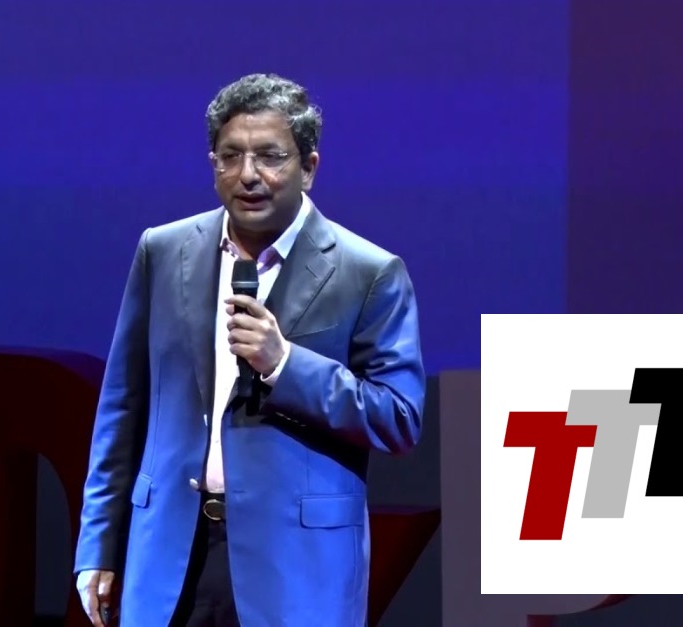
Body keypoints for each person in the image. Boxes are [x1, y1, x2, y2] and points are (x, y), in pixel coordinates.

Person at [73, 73, 425, 626]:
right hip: (170, 557)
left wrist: (284, 364)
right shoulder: (163, 251)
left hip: (295, 571)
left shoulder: (368, 273)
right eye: (230, 156)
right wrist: (99, 544)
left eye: (270, 156)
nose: (248, 175)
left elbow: (398, 418)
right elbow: (123, 408)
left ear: (309, 167)